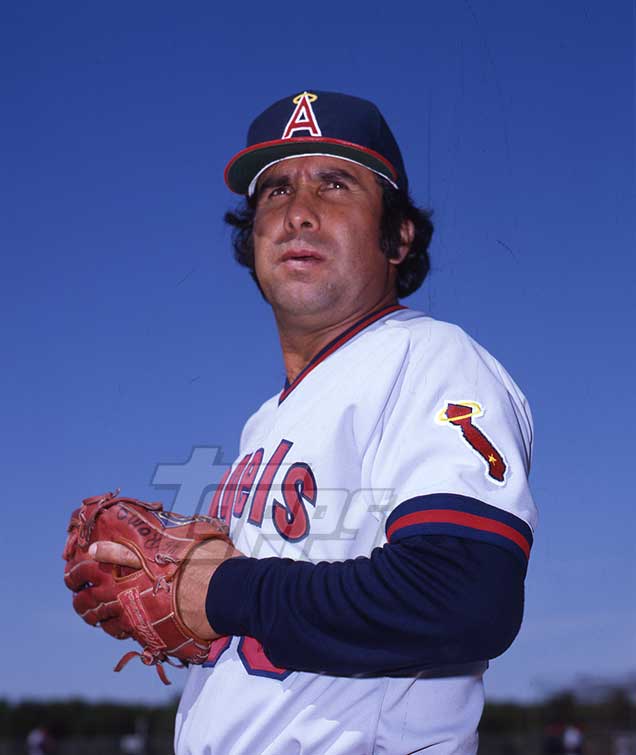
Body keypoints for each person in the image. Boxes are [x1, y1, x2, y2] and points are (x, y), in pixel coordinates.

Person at [91, 90, 537, 754]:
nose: (298, 212)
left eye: (334, 184)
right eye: (276, 191)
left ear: (398, 236)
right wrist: (191, 614)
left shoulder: (430, 357)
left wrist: (219, 591)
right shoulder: (264, 422)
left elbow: (465, 594)